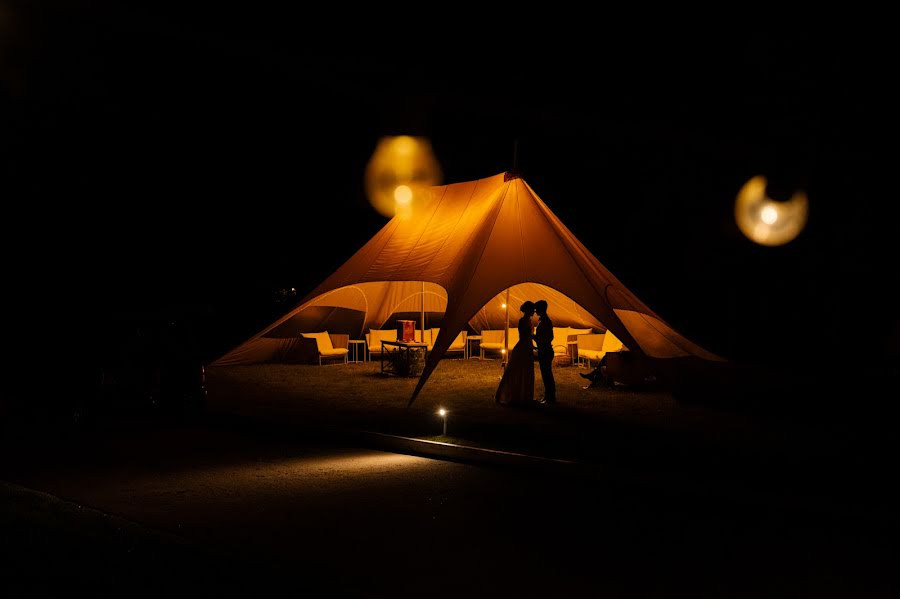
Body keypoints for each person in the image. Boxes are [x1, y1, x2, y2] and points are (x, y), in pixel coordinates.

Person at [494, 301, 536, 406]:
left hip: (528, 347)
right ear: (528, 310)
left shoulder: (530, 321)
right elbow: (525, 334)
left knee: (526, 371)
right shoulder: (522, 321)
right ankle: (512, 395)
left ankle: (524, 395)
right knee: (517, 370)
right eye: (532, 310)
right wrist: (536, 338)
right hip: (522, 347)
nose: (534, 312)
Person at [533, 299, 556, 404]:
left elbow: (550, 337)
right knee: (546, 374)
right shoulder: (542, 320)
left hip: (546, 350)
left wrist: (536, 338)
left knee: (547, 375)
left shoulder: (546, 321)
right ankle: (549, 396)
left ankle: (550, 397)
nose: (535, 310)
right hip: (544, 350)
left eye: (536, 308)